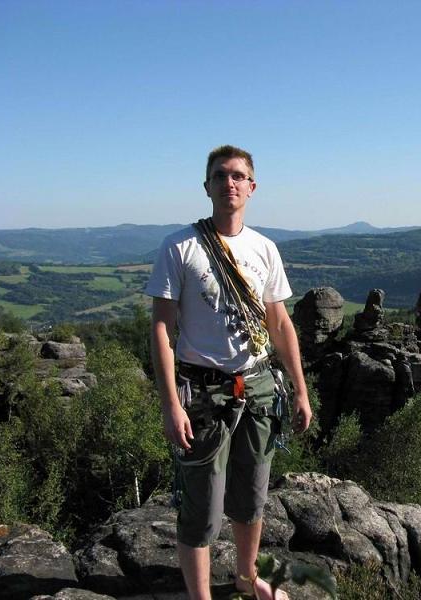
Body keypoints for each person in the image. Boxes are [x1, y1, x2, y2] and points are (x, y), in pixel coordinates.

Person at [146, 145, 311, 600]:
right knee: (202, 507)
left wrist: (300, 390)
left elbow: (280, 323)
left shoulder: (264, 249)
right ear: (207, 187)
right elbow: (162, 328)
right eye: (220, 175)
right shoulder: (179, 246)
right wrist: (171, 405)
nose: (229, 183)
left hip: (258, 387)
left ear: (252, 187)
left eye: (238, 176)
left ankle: (245, 577)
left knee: (251, 496)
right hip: (202, 393)